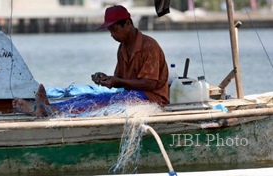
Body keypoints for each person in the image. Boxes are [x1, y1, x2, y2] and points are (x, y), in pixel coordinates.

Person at [12, 5, 169, 117]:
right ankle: (46, 107)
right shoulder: (122, 48)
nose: (112, 35)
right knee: (87, 97)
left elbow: (150, 84)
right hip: (133, 95)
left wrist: (117, 81)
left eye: (114, 30)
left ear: (127, 24)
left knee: (102, 100)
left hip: (152, 98)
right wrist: (106, 79)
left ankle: (52, 110)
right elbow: (121, 81)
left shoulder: (149, 46)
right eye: (110, 31)